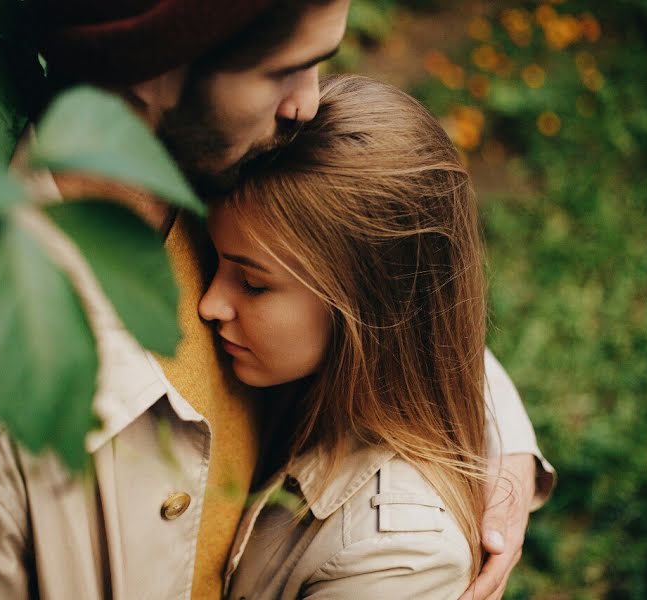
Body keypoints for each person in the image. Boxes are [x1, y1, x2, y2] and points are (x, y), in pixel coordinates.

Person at [0, 1, 553, 599]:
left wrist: (498, 438)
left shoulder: (238, 183)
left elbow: (391, 298)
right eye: (284, 72)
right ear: (152, 70)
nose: (308, 105)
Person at [201, 73, 507, 598]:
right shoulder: (307, 375)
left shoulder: (398, 558)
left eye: (252, 284)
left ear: (368, 303)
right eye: (212, 262)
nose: (209, 304)